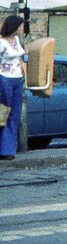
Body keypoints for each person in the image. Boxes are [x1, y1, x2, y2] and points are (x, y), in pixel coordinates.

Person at [0, 15, 26, 160]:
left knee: (14, 114)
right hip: (4, 78)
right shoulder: (1, 43)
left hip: (17, 78)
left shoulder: (16, 41)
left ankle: (8, 150)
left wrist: (23, 66)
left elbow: (20, 57)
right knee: (3, 112)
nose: (22, 29)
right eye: (20, 26)